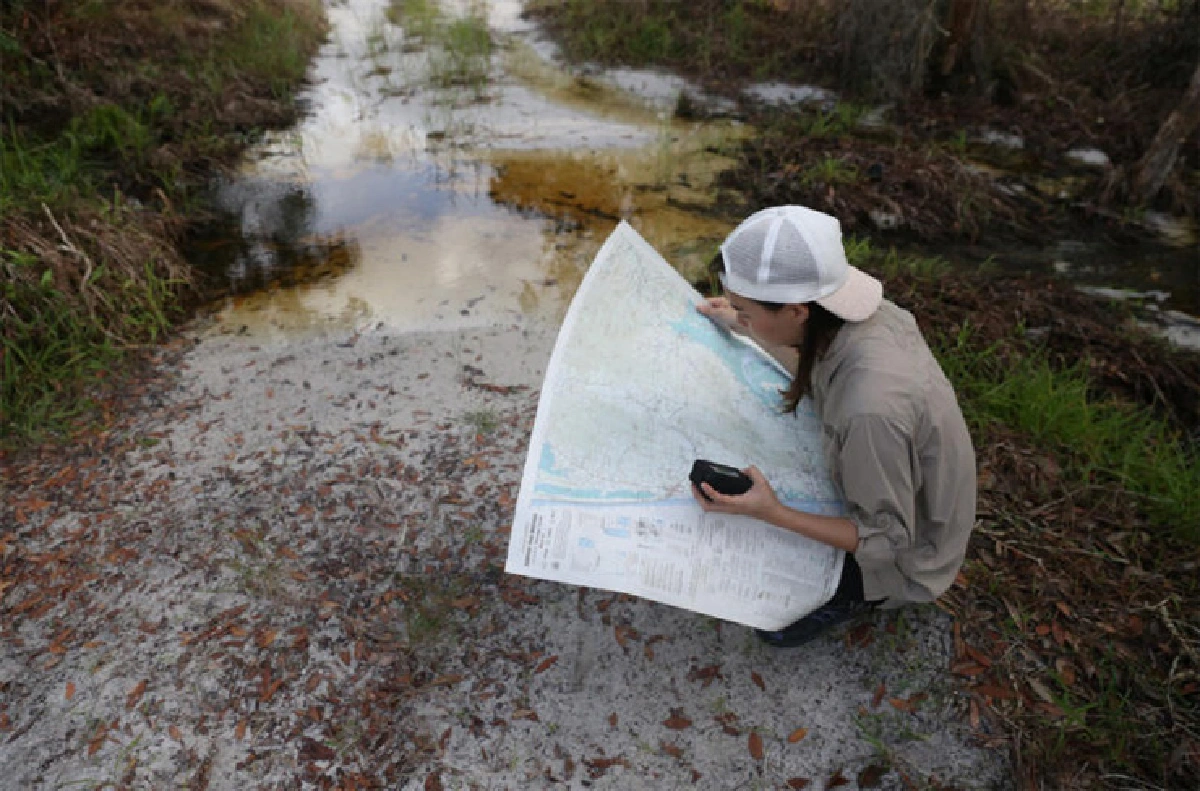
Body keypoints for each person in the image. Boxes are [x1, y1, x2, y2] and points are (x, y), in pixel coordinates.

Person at [692, 205, 976, 648]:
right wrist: (740, 325)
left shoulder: (869, 410)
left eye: (746, 310)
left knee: (772, 625)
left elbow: (887, 542)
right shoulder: (864, 319)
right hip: (886, 476)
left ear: (798, 311)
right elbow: (819, 364)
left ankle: (862, 595)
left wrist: (772, 512)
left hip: (909, 559)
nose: (740, 316)